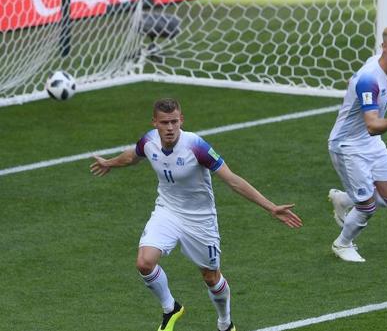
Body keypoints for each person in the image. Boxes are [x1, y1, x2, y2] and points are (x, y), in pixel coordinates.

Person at [90, 98, 302, 331]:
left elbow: (232, 180)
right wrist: (109, 163)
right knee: (144, 263)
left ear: (181, 120)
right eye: (164, 123)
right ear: (155, 123)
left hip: (200, 220)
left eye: (174, 121)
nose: (170, 128)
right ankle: (170, 308)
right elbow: (132, 156)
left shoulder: (197, 146)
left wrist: (270, 206)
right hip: (167, 211)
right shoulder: (148, 141)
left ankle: (225, 322)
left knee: (211, 278)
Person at [327, 25, 387, 262]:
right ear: (383, 47)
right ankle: (342, 244)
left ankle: (344, 199)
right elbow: (373, 126)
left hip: (369, 143)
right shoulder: (369, 79)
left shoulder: (381, 67)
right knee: (366, 207)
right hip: (348, 146)